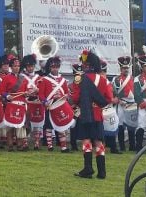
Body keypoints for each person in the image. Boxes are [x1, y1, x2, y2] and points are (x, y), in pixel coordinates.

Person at [71, 50, 112, 179]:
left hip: (86, 114)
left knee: (87, 141)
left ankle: (88, 169)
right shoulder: (103, 80)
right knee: (99, 142)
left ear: (86, 64)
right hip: (98, 114)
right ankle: (102, 172)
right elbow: (108, 98)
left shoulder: (80, 78)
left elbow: (76, 98)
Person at [38, 56, 71, 152]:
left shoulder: (63, 80)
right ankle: (49, 146)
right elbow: (41, 94)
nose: (55, 69)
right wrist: (45, 102)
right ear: (50, 68)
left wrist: (66, 96)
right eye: (53, 67)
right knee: (48, 126)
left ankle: (63, 147)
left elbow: (66, 92)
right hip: (50, 105)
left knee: (61, 126)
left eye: (56, 67)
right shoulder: (44, 79)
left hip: (60, 105)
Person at [111, 56, 137, 152]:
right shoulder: (116, 79)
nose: (126, 70)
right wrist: (118, 100)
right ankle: (122, 146)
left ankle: (132, 145)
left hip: (132, 103)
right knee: (120, 125)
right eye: (124, 68)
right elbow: (113, 92)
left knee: (131, 124)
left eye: (127, 68)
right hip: (121, 103)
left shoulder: (133, 79)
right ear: (121, 68)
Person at [21, 54, 44, 150]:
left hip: (36, 102)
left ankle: (37, 142)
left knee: (37, 123)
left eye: (32, 66)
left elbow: (43, 89)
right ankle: (25, 141)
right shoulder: (21, 77)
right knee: (25, 122)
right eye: (28, 66)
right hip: (26, 101)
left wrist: (37, 90)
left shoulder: (39, 77)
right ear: (26, 67)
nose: (30, 68)